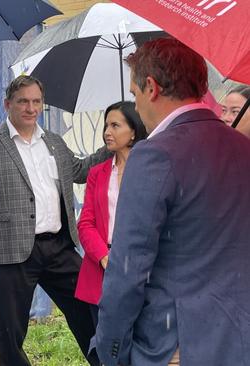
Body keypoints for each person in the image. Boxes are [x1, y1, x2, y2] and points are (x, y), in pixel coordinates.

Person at [95, 38, 250, 366]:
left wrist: (110, 350)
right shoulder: (242, 147)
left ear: (151, 87)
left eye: (134, 95)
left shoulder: (154, 155)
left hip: (177, 345)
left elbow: (128, 269)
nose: (135, 107)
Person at [0, 75, 109, 366]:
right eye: (23, 101)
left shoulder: (53, 141)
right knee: (10, 335)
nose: (31, 108)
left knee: (90, 309)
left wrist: (112, 143)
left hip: (59, 248)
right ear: (7, 104)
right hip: (10, 253)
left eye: (36, 101)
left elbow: (79, 170)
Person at [74, 101, 147, 326]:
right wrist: (104, 257)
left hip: (140, 269)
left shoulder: (150, 170)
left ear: (133, 132)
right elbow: (85, 222)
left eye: (115, 126)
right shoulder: (97, 173)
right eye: (106, 126)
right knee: (105, 345)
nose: (107, 132)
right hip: (101, 268)